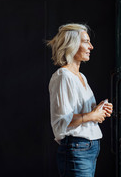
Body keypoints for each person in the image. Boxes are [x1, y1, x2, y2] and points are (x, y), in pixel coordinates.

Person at [47, 23, 113, 177]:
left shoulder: (81, 76)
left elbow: (77, 112)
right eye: (86, 42)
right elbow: (60, 121)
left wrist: (98, 109)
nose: (91, 47)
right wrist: (91, 116)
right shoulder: (63, 76)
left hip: (89, 147)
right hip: (77, 148)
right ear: (72, 45)